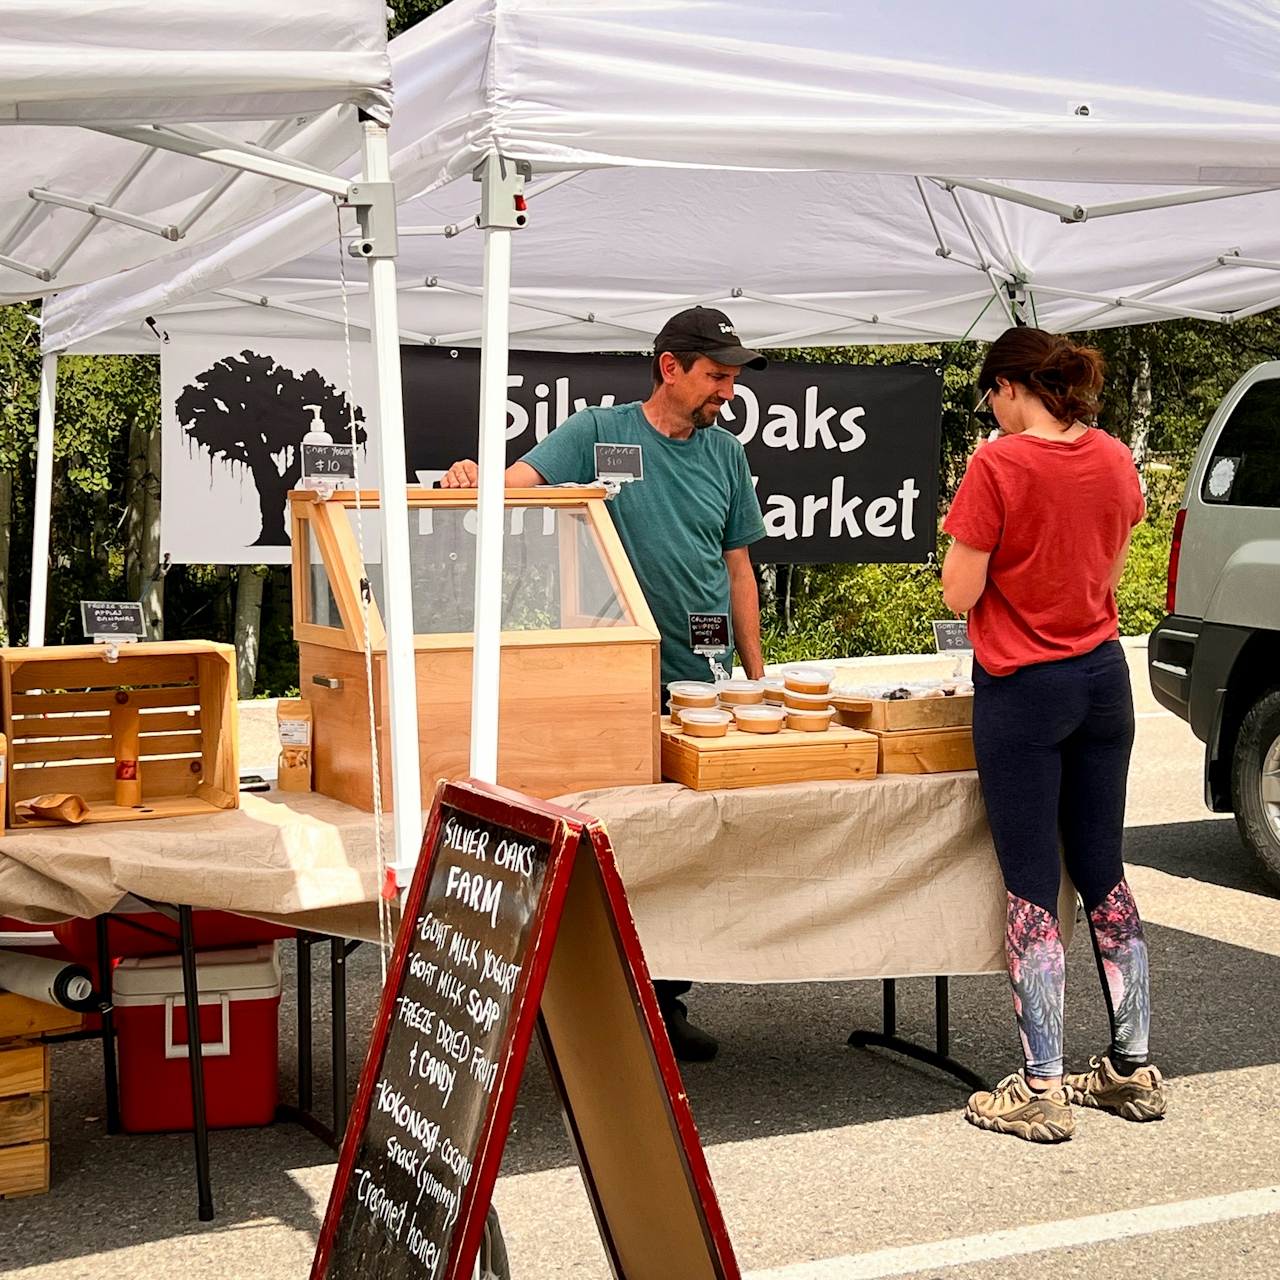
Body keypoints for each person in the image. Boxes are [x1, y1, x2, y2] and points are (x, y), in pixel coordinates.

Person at [442, 306, 769, 1062]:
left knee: (686, 857)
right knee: (617, 852)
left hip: (705, 688)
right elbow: (514, 486)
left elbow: (739, 568)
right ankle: (590, 1011)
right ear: (670, 367)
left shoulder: (726, 454)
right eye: (717, 376)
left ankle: (665, 1004)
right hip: (616, 682)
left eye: (731, 378)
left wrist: (758, 682)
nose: (727, 391)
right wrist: (472, 477)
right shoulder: (597, 432)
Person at [941, 327, 1165, 1143]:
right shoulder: (1111, 455)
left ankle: (1040, 1087)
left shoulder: (998, 464)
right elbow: (1109, 566)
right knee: (1104, 869)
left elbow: (960, 591)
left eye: (988, 395)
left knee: (1033, 882)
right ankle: (1132, 1067)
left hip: (1024, 688)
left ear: (1006, 387)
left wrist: (991, 558)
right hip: (1103, 677)